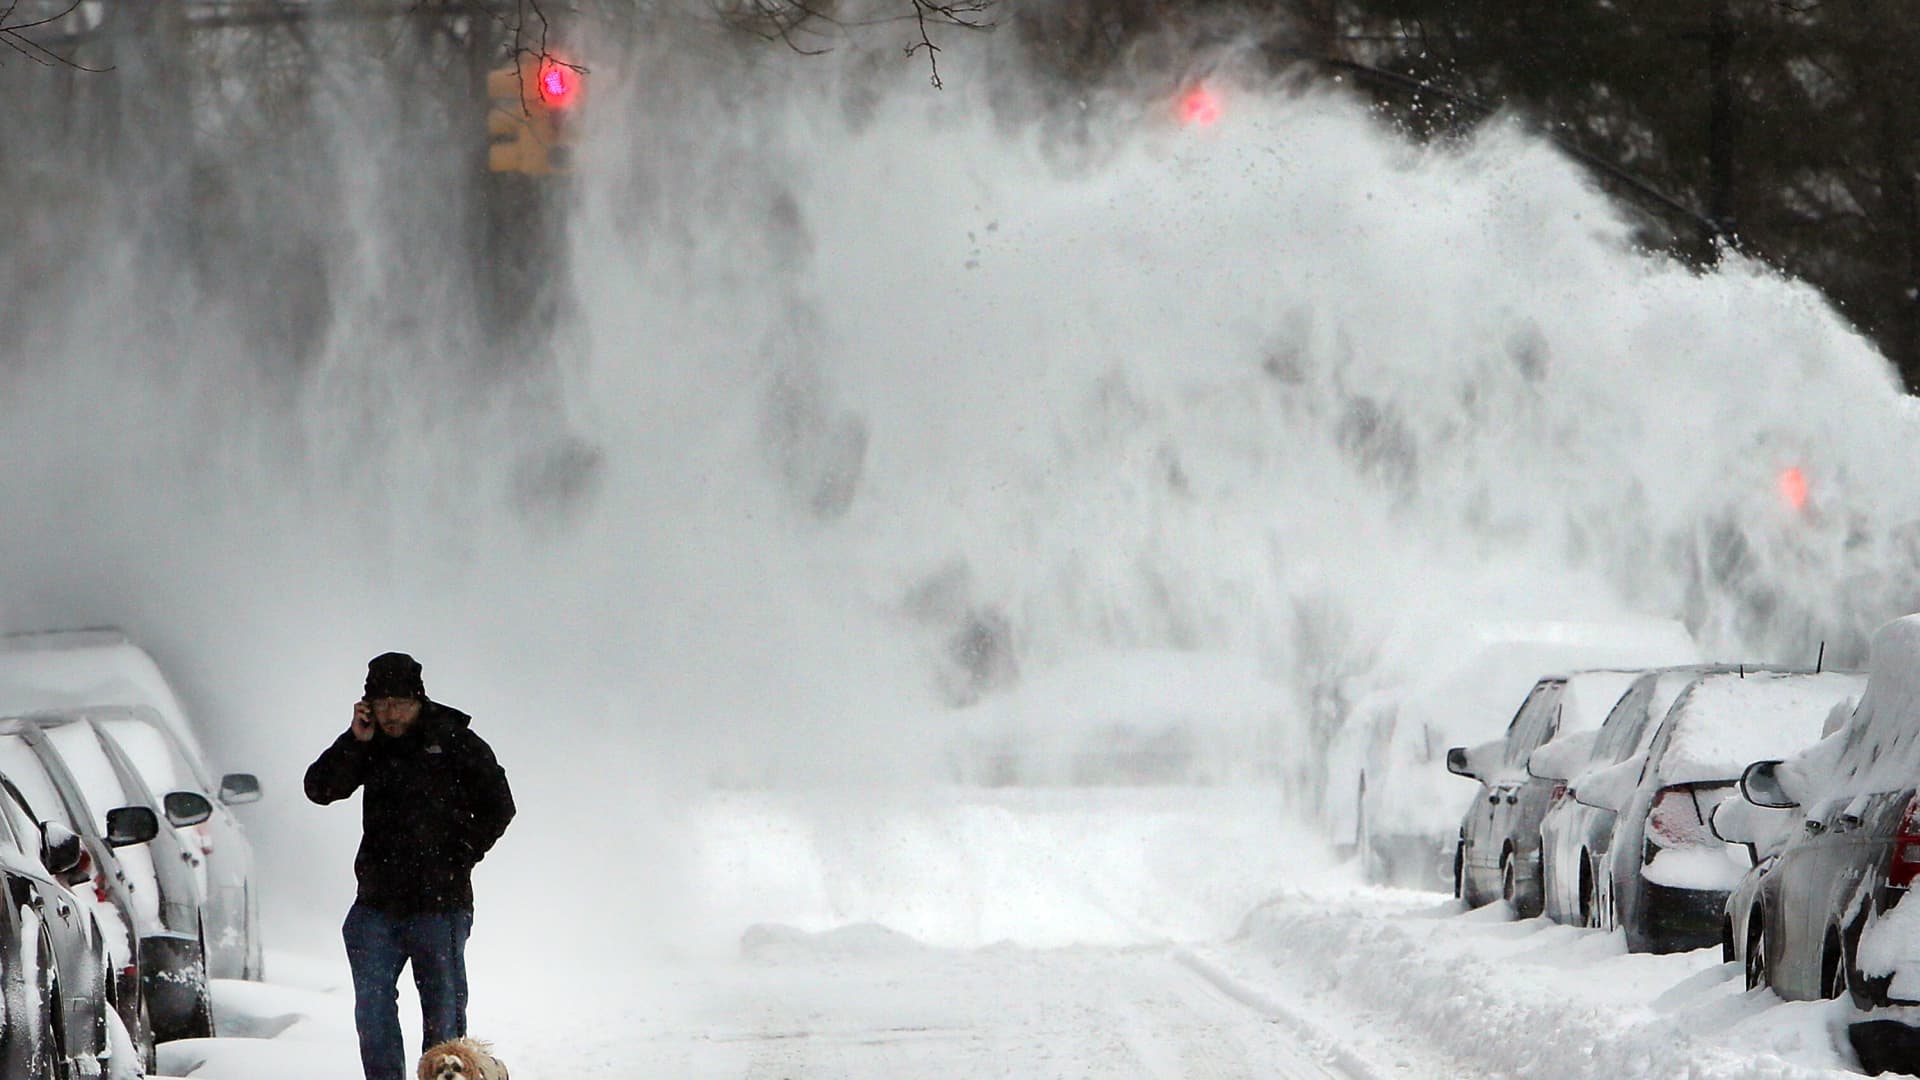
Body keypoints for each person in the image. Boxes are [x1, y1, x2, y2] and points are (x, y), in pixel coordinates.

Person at [305, 652, 516, 1080]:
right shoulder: (369, 744)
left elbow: (500, 805)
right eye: (381, 704)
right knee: (373, 1007)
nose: (390, 713)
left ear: (418, 699)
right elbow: (320, 789)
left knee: (443, 1012)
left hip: (441, 904)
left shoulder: (453, 740)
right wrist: (353, 741)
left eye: (399, 702)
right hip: (376, 904)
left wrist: (459, 855)